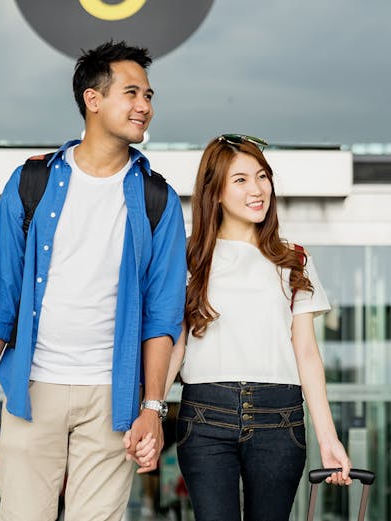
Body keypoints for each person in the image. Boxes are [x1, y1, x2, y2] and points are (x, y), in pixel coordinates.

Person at [0, 40, 187, 521]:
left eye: (149, 96)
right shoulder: (30, 183)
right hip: (33, 388)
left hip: (112, 395)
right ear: (93, 99)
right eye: (132, 92)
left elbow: (163, 316)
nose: (145, 105)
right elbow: (2, 297)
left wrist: (153, 407)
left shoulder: (157, 199)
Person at [166, 134, 352, 521]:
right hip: (204, 416)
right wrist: (149, 411)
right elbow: (176, 346)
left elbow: (306, 354)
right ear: (214, 191)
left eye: (263, 176)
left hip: (280, 418)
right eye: (241, 180)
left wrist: (329, 438)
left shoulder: (294, 259)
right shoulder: (188, 257)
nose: (257, 189)